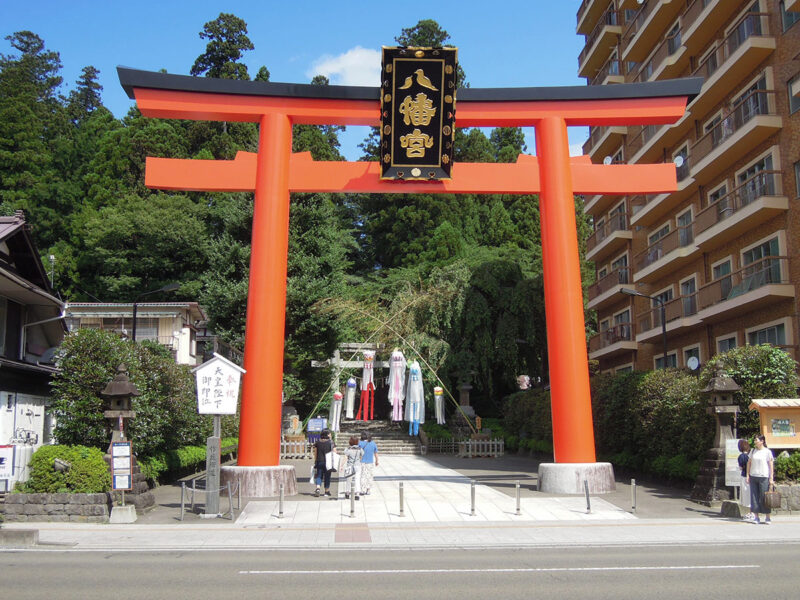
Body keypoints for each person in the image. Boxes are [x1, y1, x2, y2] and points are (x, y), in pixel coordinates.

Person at [747, 434, 774, 524]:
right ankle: (756, 517)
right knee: (754, 497)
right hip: (753, 476)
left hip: (764, 477)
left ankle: (767, 517)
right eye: (754, 440)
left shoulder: (767, 452)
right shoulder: (753, 451)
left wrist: (771, 478)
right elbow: (749, 463)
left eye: (756, 440)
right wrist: (747, 475)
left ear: (762, 441)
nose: (755, 442)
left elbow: (771, 465)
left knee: (764, 497)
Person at [312, 429, 336, 497]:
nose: (331, 435)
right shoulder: (331, 442)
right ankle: (326, 491)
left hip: (319, 461)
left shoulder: (318, 442)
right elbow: (335, 452)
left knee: (319, 475)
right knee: (327, 476)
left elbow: (315, 453)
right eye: (330, 434)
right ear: (327, 435)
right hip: (328, 462)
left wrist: (315, 461)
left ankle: (318, 488)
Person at [343, 436, 364, 500]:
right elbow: (361, 456)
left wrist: (341, 465)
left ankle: (347, 493)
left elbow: (345, 457)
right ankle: (357, 494)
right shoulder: (360, 449)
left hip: (350, 465)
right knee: (357, 479)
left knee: (348, 479)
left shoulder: (348, 449)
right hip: (357, 465)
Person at [737, 439, 752, 520]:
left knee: (746, 495)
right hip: (752, 476)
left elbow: (741, 467)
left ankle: (750, 513)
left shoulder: (741, 457)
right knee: (752, 494)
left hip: (744, 477)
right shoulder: (751, 455)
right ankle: (752, 512)